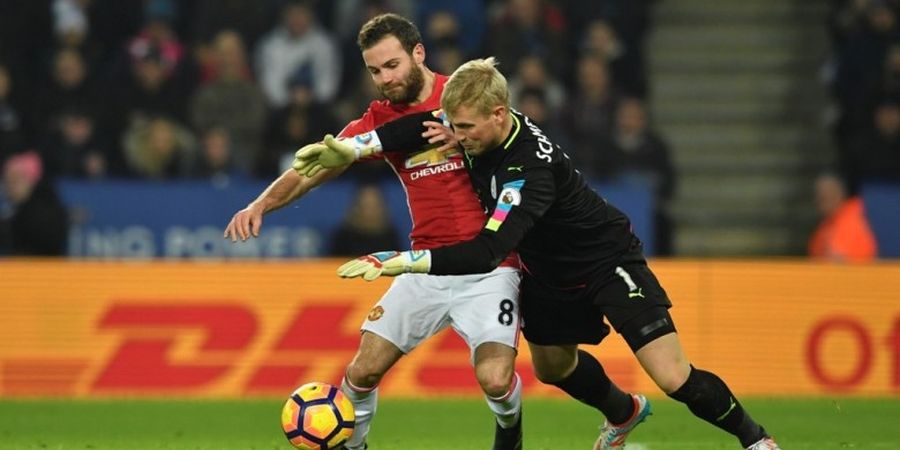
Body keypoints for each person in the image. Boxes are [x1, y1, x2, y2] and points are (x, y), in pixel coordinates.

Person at [297, 57, 782, 450]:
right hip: (548, 274)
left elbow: (489, 249)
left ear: (499, 115)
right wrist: (355, 148)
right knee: (554, 369)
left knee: (673, 375)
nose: (455, 136)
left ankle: (756, 440)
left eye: (465, 128)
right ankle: (624, 412)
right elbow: (417, 128)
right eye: (453, 124)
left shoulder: (527, 171)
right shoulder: (474, 121)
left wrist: (404, 261)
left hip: (604, 260)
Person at [224, 14, 523, 450]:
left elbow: (516, 142)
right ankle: (354, 446)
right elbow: (316, 166)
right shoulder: (377, 122)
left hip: (490, 263)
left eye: (392, 65)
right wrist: (261, 204)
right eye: (375, 70)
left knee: (496, 380)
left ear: (418, 53)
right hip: (424, 265)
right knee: (362, 371)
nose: (385, 78)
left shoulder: (464, 96)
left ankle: (510, 429)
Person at [808, 172, 878, 262]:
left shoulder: (850, 222)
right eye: (819, 195)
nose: (821, 199)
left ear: (840, 194)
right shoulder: (826, 226)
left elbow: (836, 264)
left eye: (827, 194)